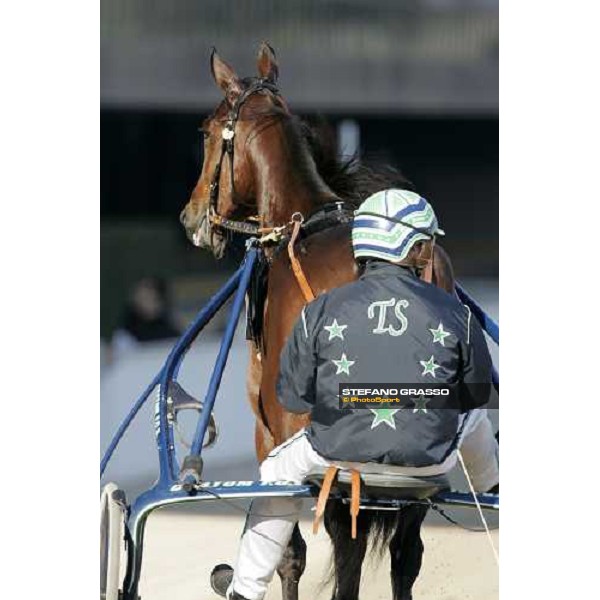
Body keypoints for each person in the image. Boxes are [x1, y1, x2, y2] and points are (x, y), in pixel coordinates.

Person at [213, 189, 499, 600]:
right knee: (473, 419)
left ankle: (245, 590)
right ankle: (492, 490)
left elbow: (292, 400)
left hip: (337, 458)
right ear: (413, 247)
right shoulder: (456, 313)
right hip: (429, 466)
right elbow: (474, 395)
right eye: (427, 242)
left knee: (275, 471)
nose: (430, 251)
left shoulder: (318, 312)